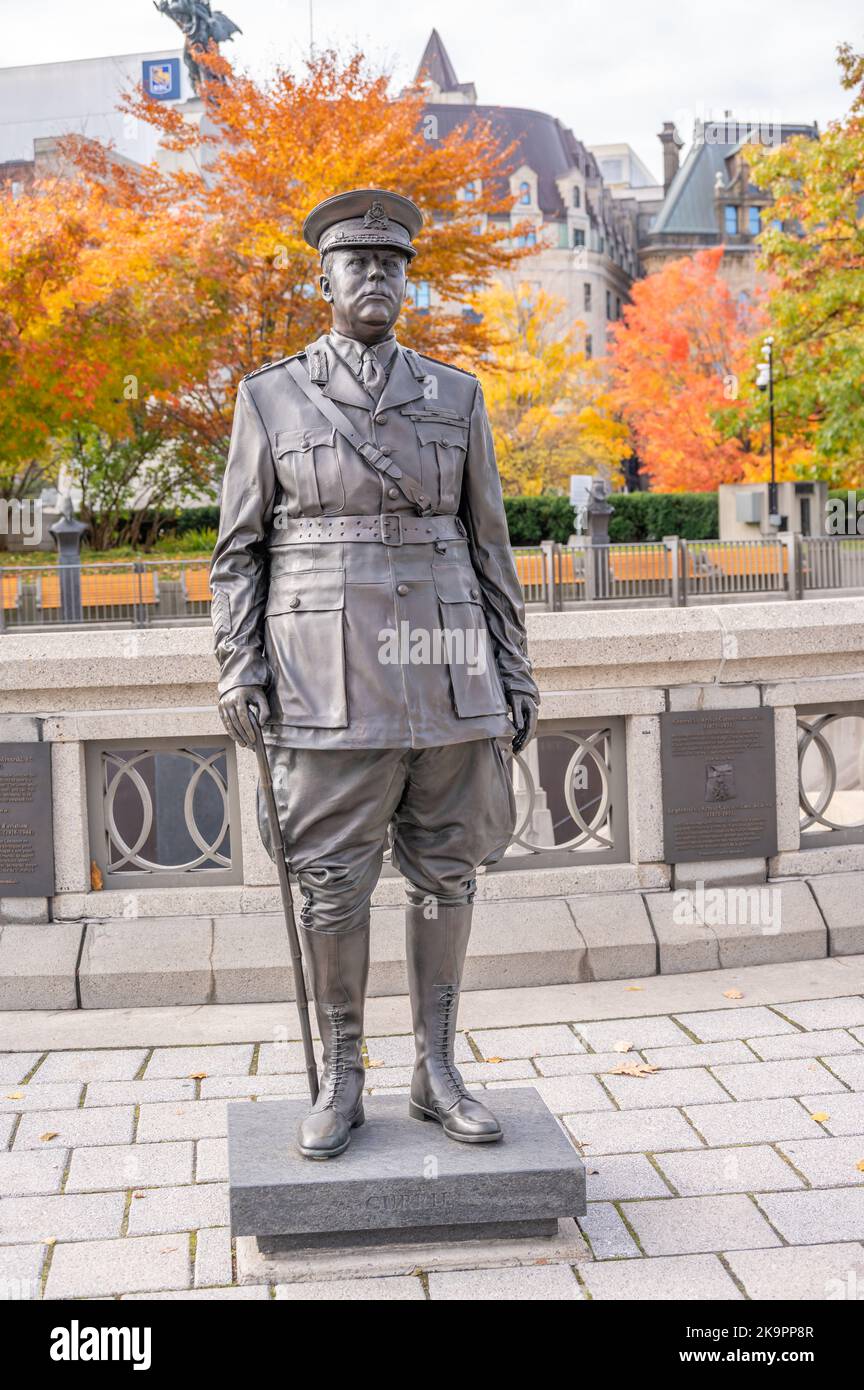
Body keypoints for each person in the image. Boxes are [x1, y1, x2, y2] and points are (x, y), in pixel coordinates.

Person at [211, 188, 539, 1159]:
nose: (376, 279)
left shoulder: (456, 395)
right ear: (324, 278)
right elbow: (240, 553)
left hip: (449, 675)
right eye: (357, 264)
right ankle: (344, 1074)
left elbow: (491, 549)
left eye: (392, 265)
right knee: (331, 885)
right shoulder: (270, 397)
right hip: (322, 683)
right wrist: (238, 663)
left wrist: (517, 673)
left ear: (408, 279)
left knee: (447, 875)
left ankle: (436, 1069)